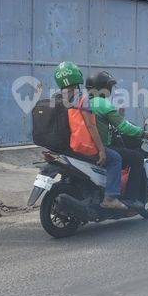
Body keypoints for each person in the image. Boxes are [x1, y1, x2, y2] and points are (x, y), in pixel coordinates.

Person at [53, 62, 127, 210]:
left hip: (66, 146)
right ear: (77, 76)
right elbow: (91, 126)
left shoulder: (57, 98)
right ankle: (110, 198)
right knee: (116, 158)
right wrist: (101, 150)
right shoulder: (81, 98)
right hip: (82, 146)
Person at [85, 71, 148, 202]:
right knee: (137, 158)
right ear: (101, 87)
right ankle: (131, 199)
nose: (110, 89)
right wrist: (142, 133)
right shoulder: (103, 104)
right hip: (101, 147)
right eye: (108, 86)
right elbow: (124, 127)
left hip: (86, 145)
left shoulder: (85, 101)